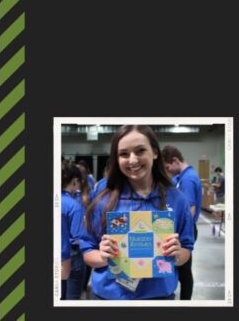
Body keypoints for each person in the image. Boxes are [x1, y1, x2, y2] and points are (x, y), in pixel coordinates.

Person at [78, 125, 194, 300]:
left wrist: (177, 255)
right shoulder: (103, 197)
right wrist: (103, 256)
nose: (132, 160)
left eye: (140, 151)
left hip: (158, 298)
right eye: (124, 154)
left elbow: (186, 249)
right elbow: (88, 252)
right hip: (110, 298)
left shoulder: (177, 199)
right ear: (116, 159)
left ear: (154, 152)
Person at [161, 146, 203, 300]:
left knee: (184, 272)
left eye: (168, 167)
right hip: (186, 229)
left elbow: (189, 209)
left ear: (175, 161)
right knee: (183, 270)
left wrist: (181, 232)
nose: (168, 171)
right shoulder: (184, 176)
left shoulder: (187, 179)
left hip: (186, 230)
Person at [61, 161, 86, 299]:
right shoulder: (74, 206)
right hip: (71, 258)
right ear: (75, 181)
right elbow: (77, 237)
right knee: (71, 299)